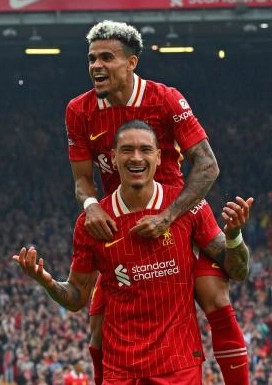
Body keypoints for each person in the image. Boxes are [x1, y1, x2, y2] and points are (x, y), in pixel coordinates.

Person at [65, 20, 249, 384]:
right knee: (98, 330)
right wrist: (91, 206)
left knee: (214, 296)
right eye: (91, 59)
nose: (96, 66)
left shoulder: (164, 99)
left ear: (131, 62)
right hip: (121, 221)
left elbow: (207, 165)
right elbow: (82, 180)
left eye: (106, 58)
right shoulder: (79, 110)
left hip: (179, 210)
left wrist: (168, 216)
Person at [14, 120, 253, 383]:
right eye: (127, 150)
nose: (136, 157)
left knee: (217, 298)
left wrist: (233, 236)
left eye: (145, 149)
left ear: (159, 157)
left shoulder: (188, 207)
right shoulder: (91, 223)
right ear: (113, 158)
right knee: (96, 331)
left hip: (178, 367)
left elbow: (238, 271)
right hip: (121, 370)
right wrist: (47, 282)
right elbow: (76, 297)